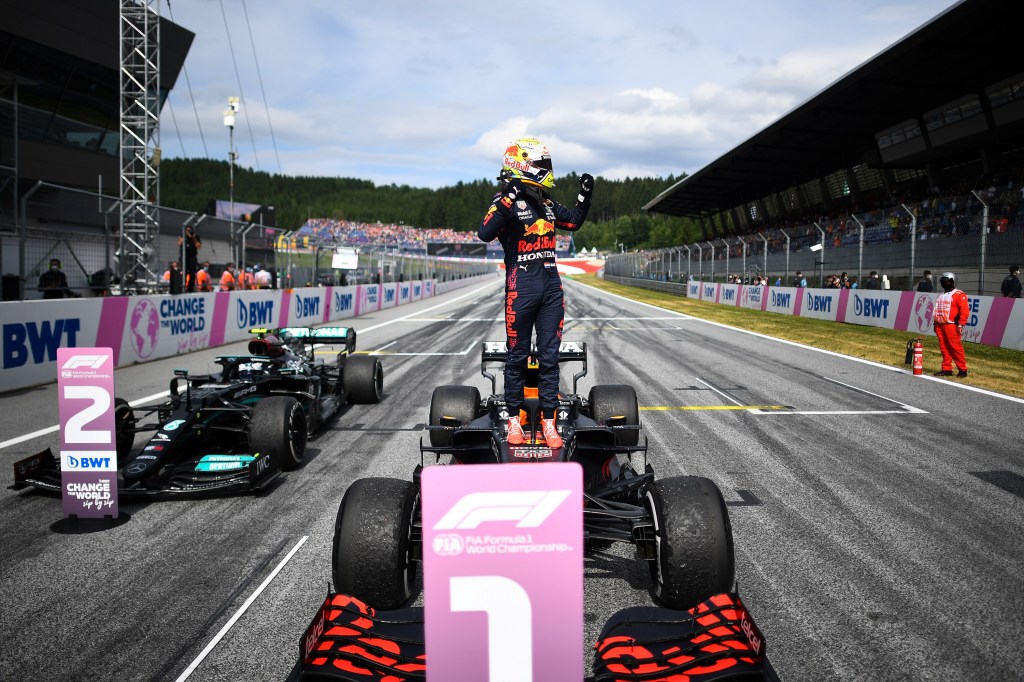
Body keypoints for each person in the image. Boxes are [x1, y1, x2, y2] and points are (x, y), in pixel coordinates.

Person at [478, 137, 593, 449]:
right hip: (520, 289)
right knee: (516, 357)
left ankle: (549, 422)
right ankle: (514, 420)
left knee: (549, 358)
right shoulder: (505, 200)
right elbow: (484, 232)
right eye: (542, 164)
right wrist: (508, 195)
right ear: (522, 164)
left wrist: (585, 195)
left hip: (552, 290)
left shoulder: (546, 203)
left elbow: (576, 220)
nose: (547, 170)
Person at [932, 271, 969, 378]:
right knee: (944, 348)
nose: (944, 283)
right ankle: (946, 368)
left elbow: (964, 311)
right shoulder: (941, 295)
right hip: (940, 324)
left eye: (946, 281)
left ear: (952, 281)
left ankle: (962, 369)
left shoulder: (959, 295)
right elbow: (937, 310)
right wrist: (935, 324)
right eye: (943, 281)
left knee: (955, 347)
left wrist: (961, 324)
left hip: (951, 325)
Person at [178, 225, 202, 293]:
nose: (189, 232)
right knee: (184, 272)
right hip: (184, 257)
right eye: (188, 230)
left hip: (192, 256)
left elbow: (199, 246)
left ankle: (190, 288)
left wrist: (193, 237)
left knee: (192, 273)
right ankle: (182, 287)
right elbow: (179, 243)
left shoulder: (195, 236)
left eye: (190, 230)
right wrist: (185, 236)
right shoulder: (182, 235)